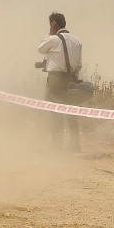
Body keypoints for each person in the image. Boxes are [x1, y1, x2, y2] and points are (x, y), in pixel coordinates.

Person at [37, 12, 83, 152]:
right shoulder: (77, 40)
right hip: (71, 78)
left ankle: (56, 146)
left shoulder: (53, 39)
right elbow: (79, 64)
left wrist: (49, 34)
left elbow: (40, 49)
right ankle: (75, 145)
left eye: (50, 24)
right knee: (71, 112)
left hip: (56, 79)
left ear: (53, 24)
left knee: (55, 112)